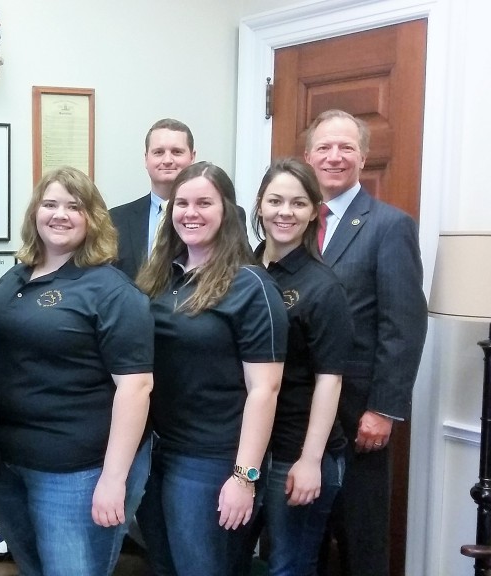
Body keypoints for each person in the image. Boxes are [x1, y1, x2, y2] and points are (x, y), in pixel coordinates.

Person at [0, 166, 153, 575]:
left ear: (92, 218)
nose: (60, 215)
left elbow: (136, 388)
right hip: (7, 465)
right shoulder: (16, 275)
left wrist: (114, 480)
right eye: (50, 204)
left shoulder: (111, 291)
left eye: (74, 207)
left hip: (75, 473)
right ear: (34, 214)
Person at [134, 161, 287, 576]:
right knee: (164, 567)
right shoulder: (161, 278)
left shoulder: (251, 287)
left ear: (227, 212)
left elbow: (265, 390)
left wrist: (244, 476)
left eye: (204, 202)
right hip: (156, 452)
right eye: (181, 203)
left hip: (212, 461)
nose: (190, 212)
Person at [304, 109, 427, 576]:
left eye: (346, 147)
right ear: (308, 155)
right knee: (302, 537)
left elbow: (404, 324)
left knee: (360, 538)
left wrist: (384, 409)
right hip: (297, 410)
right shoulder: (289, 222)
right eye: (324, 147)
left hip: (360, 416)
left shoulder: (389, 226)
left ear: (363, 157)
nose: (335, 157)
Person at [249, 158, 353, 575]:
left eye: (297, 203)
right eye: (275, 201)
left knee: (288, 565)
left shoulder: (322, 287)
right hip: (248, 446)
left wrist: (310, 460)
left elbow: (330, 380)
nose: (284, 212)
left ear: (313, 211)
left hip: (297, 449)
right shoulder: (243, 270)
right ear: (259, 206)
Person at [109, 118, 198, 280]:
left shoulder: (216, 216)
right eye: (158, 152)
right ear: (146, 158)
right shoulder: (115, 219)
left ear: (192, 157)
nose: (167, 160)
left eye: (177, 152)